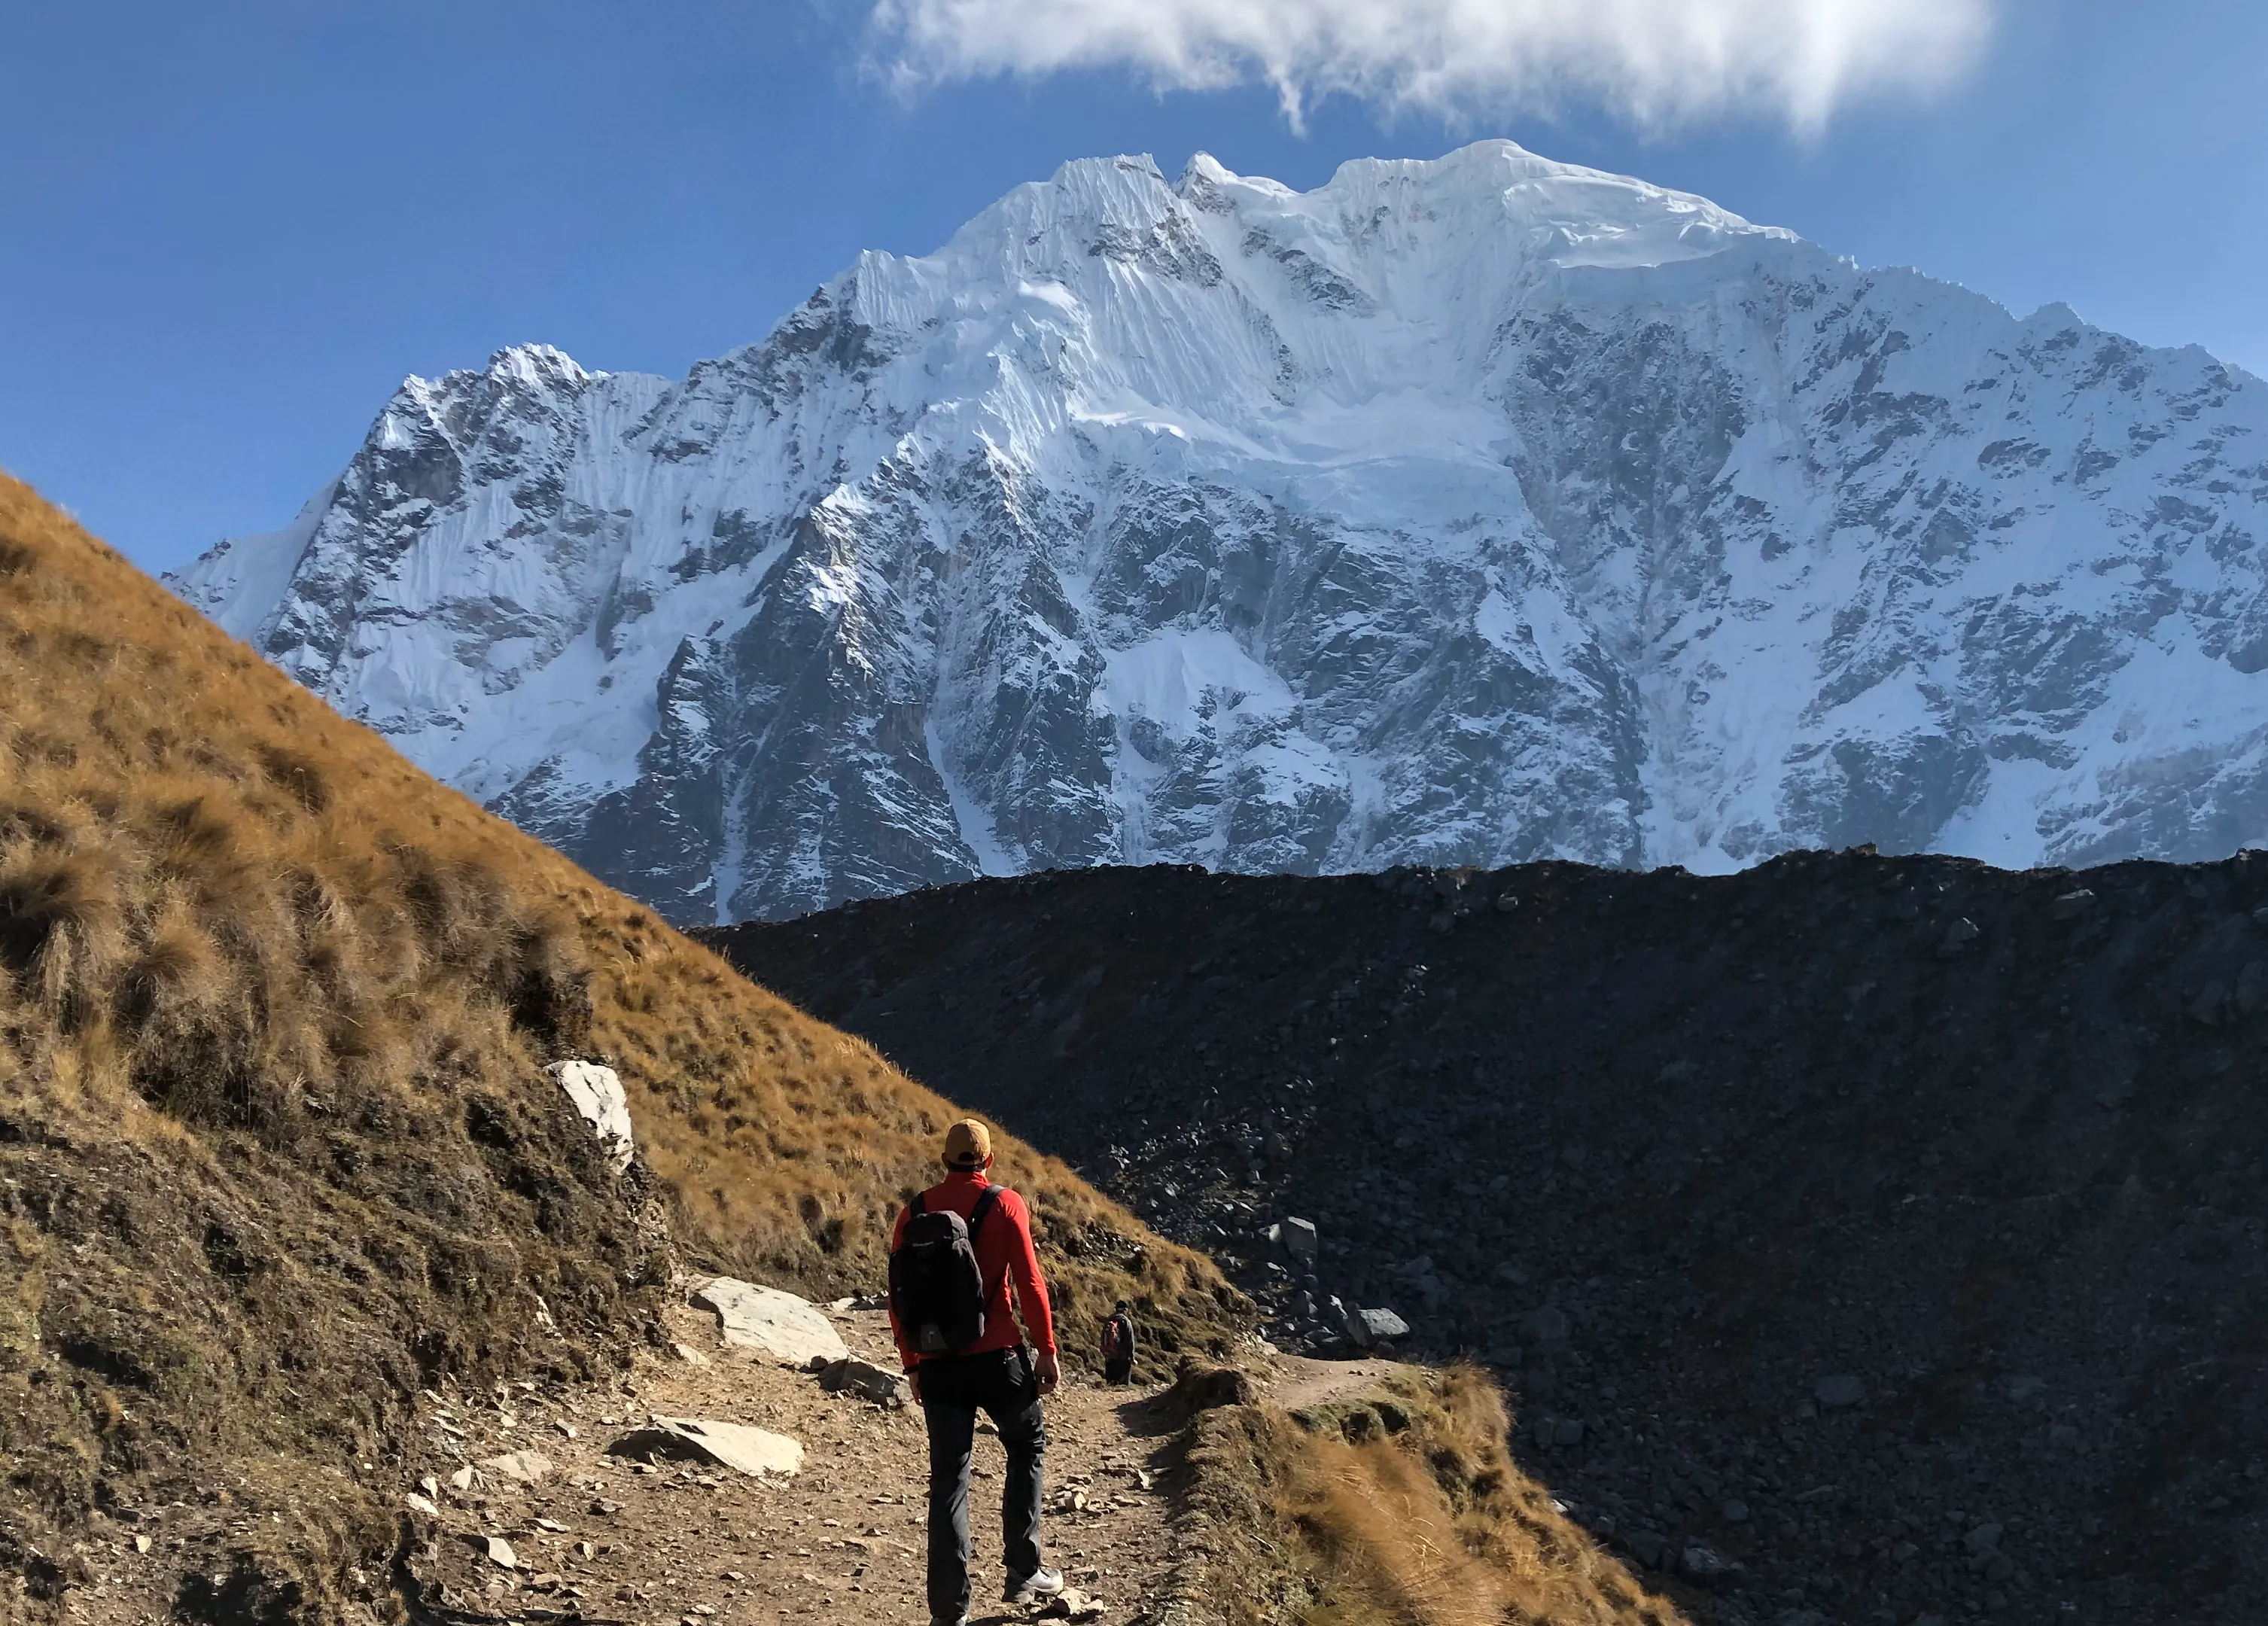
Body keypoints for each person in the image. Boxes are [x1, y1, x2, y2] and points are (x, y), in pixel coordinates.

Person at [890, 1119, 1064, 1626]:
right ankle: (1024, 1571)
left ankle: (948, 1611)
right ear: (987, 1160)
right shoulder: (1006, 1203)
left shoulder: (914, 1212)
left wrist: (912, 1364)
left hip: (938, 1364)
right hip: (999, 1359)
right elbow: (1029, 1283)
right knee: (1026, 1446)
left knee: (949, 1479)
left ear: (943, 1160)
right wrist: (1046, 1349)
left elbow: (897, 1299)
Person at [1101, 1299, 1137, 1384]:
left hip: (1110, 1356)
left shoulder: (1109, 1320)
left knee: (1111, 1384)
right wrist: (1132, 1358)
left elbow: (1103, 1337)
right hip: (1123, 1358)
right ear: (1125, 1310)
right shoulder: (1126, 1321)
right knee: (1122, 1386)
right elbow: (1130, 1341)